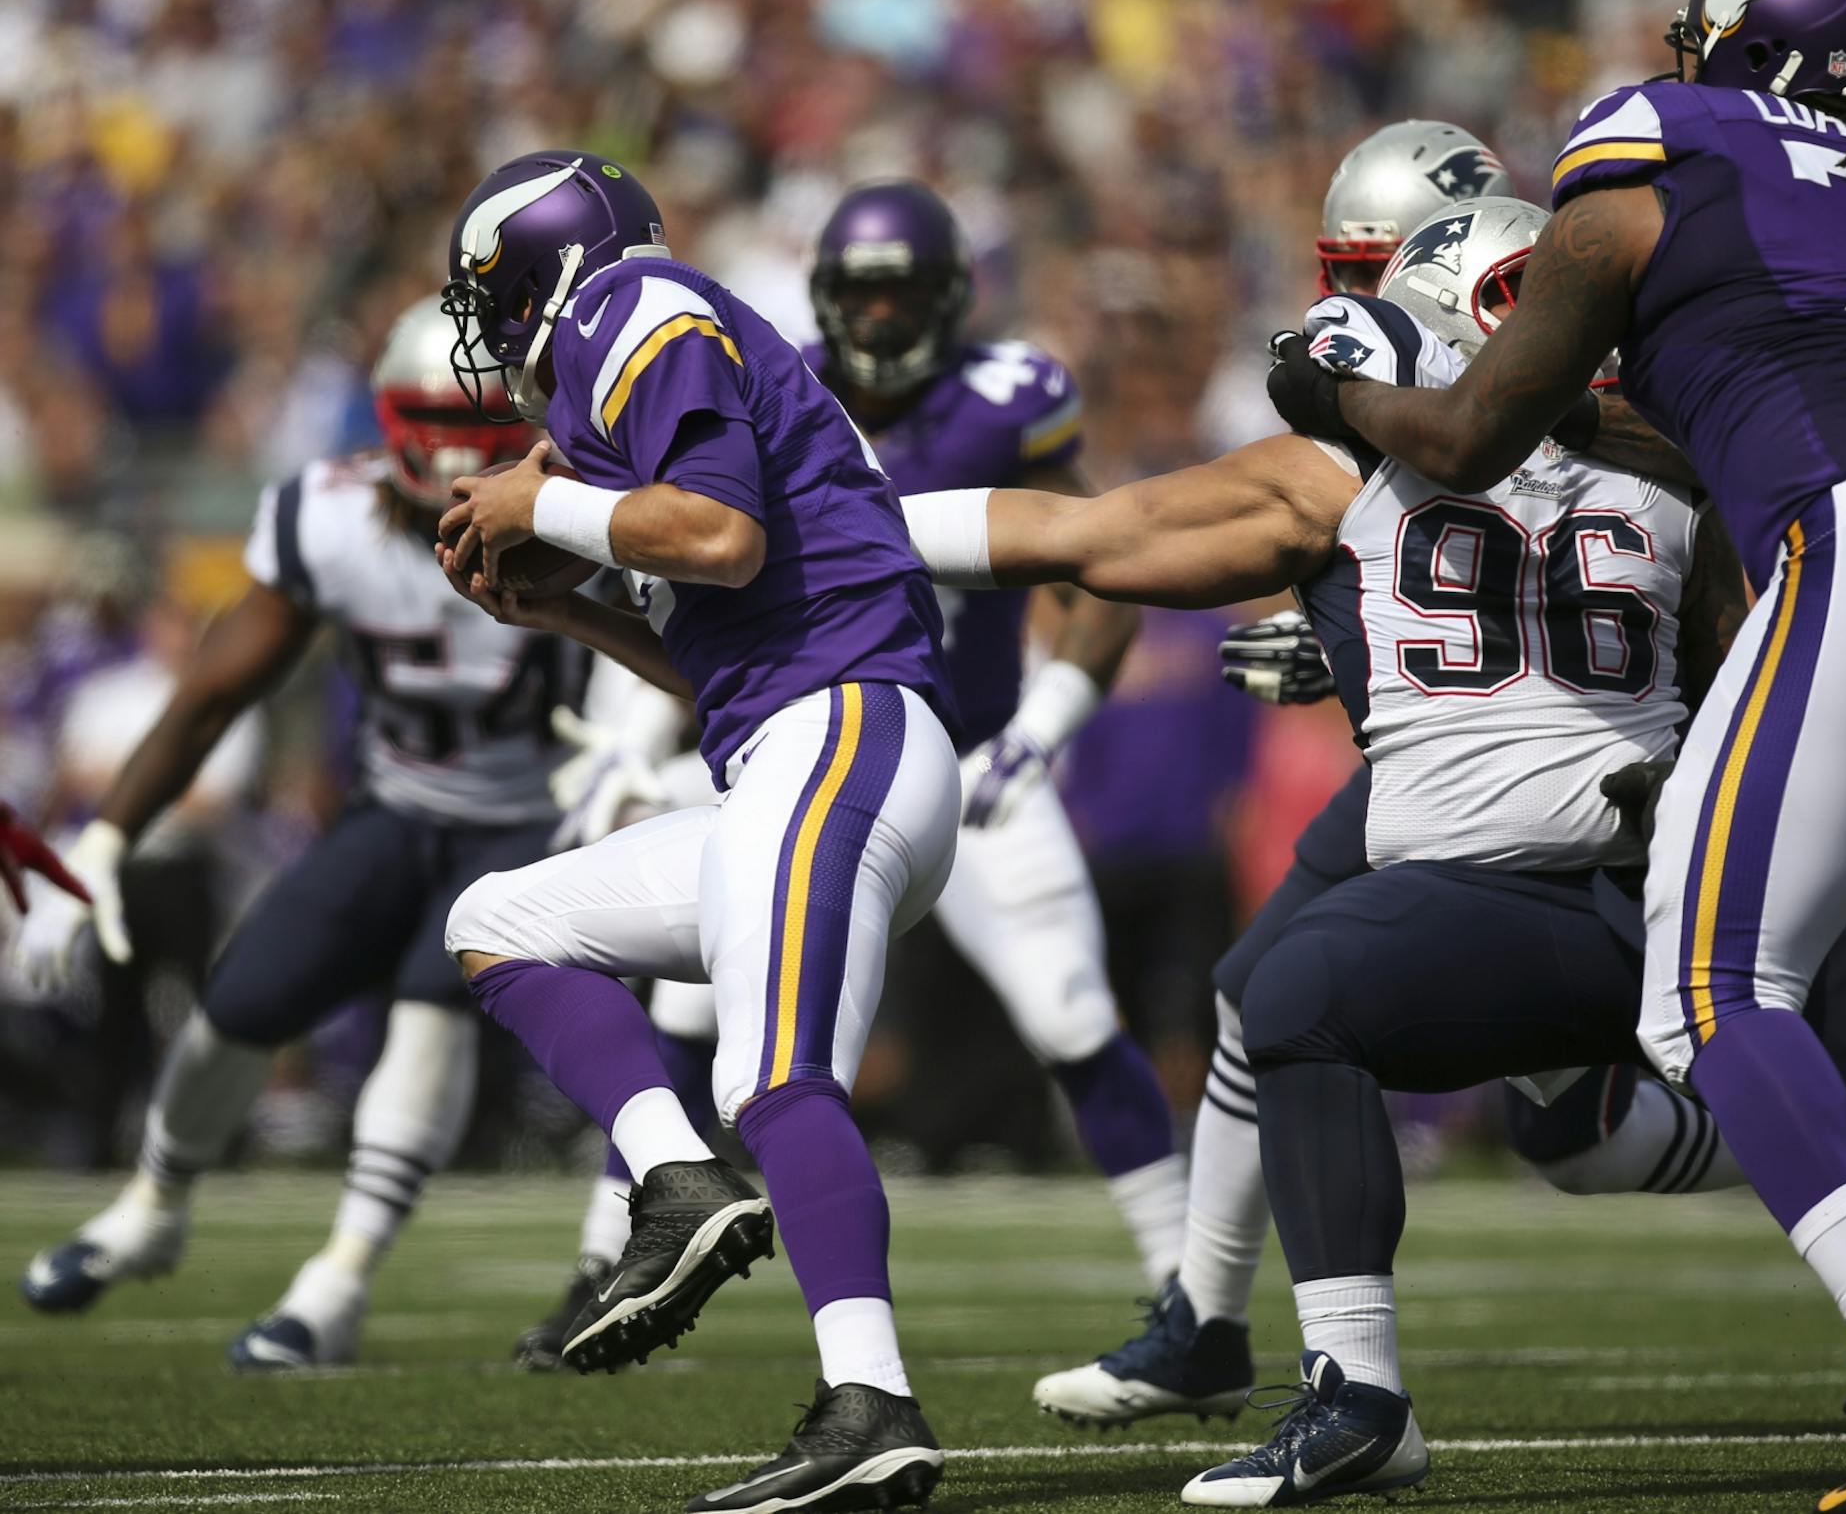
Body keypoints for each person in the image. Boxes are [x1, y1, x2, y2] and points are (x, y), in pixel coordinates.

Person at [903, 194, 1846, 1508]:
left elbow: (1084, 538)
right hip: (1703, 884)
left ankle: (1358, 1389)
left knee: (1293, 997)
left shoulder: (1345, 469)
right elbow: (1750, 661)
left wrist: (851, 528)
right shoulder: (1684, 462)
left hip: (1499, 912)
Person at [1263, 0, 1846, 1510]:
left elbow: (1471, 434)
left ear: (1745, 48)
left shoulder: (1665, 141)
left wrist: (1329, 390)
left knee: (1710, 991)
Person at [1036, 122, 1738, 1434]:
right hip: (1467, 754)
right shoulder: (1422, 375)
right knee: (1270, 993)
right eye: (1344, 265)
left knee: (1573, 1129)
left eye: (1375, 267)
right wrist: (1364, 626)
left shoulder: (1590, 382)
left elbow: (1572, 541)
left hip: (1608, 766)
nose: (1350, 302)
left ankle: (1828, 1159)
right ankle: (1206, 1321)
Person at [516, 182, 1184, 1365]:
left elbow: (1100, 560)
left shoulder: (1001, 397)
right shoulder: (752, 371)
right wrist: (626, 721)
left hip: (961, 752)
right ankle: (606, 1250)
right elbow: (692, 584)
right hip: (815, 730)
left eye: (898, 292)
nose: (877, 318)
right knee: (691, 997)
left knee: (1064, 1010)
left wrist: (1050, 720)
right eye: (857, 292)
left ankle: (1193, 1296)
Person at [436, 150, 956, 1514]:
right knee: (498, 918)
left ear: (552, 262)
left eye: (494, 296)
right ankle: (673, 1178)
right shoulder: (635, 368)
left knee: (775, 1073)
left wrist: (531, 500)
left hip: (848, 729)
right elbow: (721, 663)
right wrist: (567, 612)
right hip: (789, 743)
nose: (491, 336)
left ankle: (872, 1401)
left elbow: (718, 538)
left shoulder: (636, 303)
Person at [14, 296, 577, 1369]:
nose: (458, 452)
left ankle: (339, 1282)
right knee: (238, 1001)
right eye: (434, 422)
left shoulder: (589, 512)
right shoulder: (327, 515)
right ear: (388, 422)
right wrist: (97, 847)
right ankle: (151, 1204)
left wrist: (646, 746)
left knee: (429, 1015)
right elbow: (210, 697)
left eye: (480, 429)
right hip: (397, 806)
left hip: (529, 820)